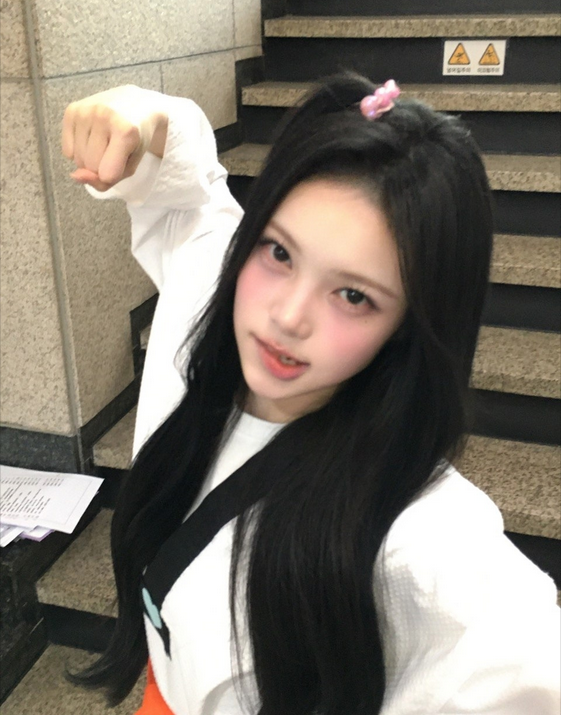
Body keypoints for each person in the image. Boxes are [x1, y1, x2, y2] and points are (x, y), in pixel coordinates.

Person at [62, 73, 560, 715]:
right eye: (279, 252)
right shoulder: (210, 307)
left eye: (353, 295)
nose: (288, 316)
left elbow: (519, 659)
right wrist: (139, 114)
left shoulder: (418, 540)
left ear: (408, 326)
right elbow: (190, 189)